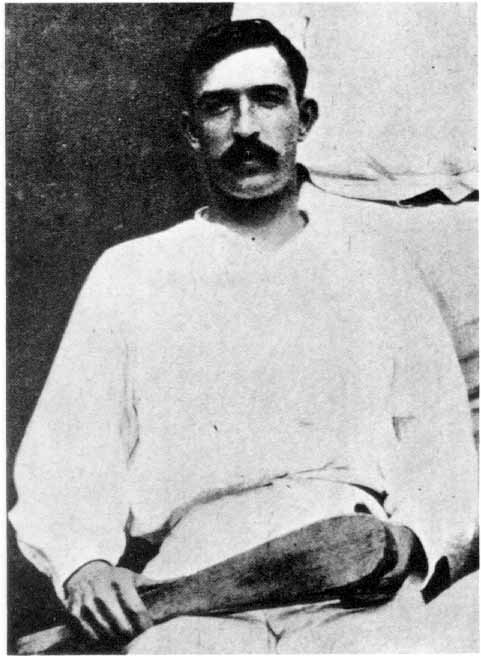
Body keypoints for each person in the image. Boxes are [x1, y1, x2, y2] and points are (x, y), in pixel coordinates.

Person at [10, 19, 477, 653]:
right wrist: (83, 564)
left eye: (267, 99)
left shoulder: (378, 267)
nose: (246, 127)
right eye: (219, 107)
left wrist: (410, 542)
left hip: (354, 580)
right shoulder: (133, 273)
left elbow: (442, 453)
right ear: (191, 131)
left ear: (304, 119)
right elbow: (69, 451)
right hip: (193, 581)